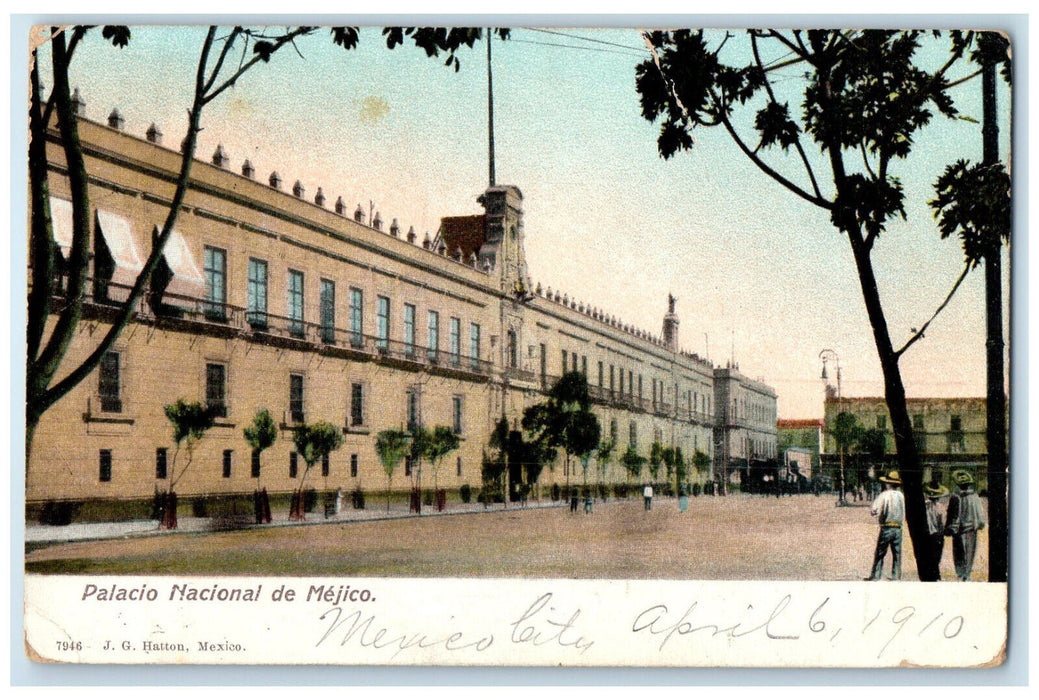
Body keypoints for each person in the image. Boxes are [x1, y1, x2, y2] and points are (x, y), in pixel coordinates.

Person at [945, 470, 986, 581]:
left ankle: (960, 575)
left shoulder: (955, 497)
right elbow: (980, 515)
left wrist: (949, 528)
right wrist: (980, 525)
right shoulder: (975, 497)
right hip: (971, 530)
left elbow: (951, 515)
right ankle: (966, 575)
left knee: (959, 554)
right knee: (969, 553)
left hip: (959, 530)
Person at [867, 470, 905, 581]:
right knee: (897, 554)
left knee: (880, 553)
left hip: (887, 527)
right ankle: (896, 576)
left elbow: (874, 510)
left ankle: (875, 576)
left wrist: (877, 514)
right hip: (898, 528)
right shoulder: (901, 496)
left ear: (888, 483)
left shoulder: (884, 495)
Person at [924, 483, 949, 575]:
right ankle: (935, 574)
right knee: (936, 558)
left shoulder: (924, 506)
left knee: (928, 557)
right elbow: (943, 523)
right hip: (937, 535)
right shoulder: (940, 507)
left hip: (927, 535)